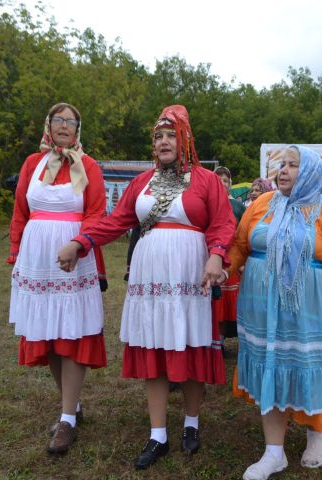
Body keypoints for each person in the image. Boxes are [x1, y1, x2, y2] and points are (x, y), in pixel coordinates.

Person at [56, 105, 236, 470]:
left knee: (190, 346)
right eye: (158, 136)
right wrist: (81, 242)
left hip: (189, 273)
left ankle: (191, 423)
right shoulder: (142, 183)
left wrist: (216, 255)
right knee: (155, 345)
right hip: (150, 272)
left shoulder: (205, 180)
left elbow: (223, 223)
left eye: (170, 135)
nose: (164, 142)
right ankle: (158, 435)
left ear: (184, 139)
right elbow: (116, 221)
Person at [229, 145, 322, 480]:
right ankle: (274, 452)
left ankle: (316, 432)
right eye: (281, 165)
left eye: (293, 165)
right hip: (261, 308)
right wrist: (220, 268)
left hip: (311, 310)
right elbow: (239, 247)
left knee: (308, 366)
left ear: (312, 172)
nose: (283, 171)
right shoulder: (261, 205)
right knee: (271, 367)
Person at [8, 102, 108, 454]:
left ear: (78, 129)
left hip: (74, 258)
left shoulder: (89, 167)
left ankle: (66, 418)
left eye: (71, 121)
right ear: (48, 125)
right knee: (48, 334)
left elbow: (96, 213)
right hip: (37, 260)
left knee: (72, 333)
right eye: (58, 120)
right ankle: (73, 406)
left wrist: (79, 245)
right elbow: (21, 211)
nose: (64, 126)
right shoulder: (31, 165)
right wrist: (16, 253)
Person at [213, 166, 246, 345]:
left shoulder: (238, 206)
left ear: (230, 184)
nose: (222, 183)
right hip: (211, 258)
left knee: (228, 304)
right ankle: (216, 342)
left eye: (226, 180)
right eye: (218, 179)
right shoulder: (205, 203)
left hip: (232, 260)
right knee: (215, 303)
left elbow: (244, 235)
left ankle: (226, 339)